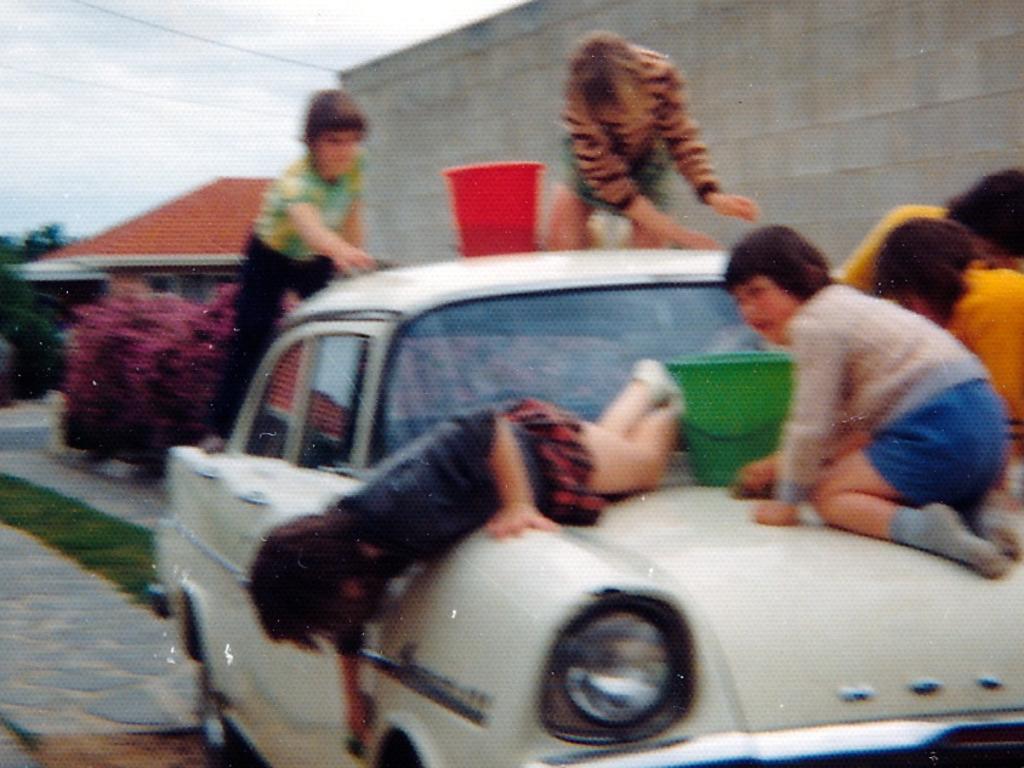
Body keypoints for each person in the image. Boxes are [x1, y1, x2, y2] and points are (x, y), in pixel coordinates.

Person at [247, 362, 681, 748]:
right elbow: (350, 630)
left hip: (539, 453)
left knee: (645, 468)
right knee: (613, 450)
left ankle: (671, 399)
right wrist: (353, 699)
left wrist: (518, 505)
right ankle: (642, 386)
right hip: (530, 469)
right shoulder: (360, 545)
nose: (340, 613)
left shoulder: (396, 505)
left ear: (336, 580)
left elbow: (482, 426)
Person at [725, 226, 1017, 579]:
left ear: (805, 276)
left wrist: (788, 500)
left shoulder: (814, 325)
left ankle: (929, 532)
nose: (749, 311)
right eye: (739, 300)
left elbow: (811, 424)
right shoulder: (853, 306)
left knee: (826, 495)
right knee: (872, 476)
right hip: (985, 426)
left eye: (757, 292)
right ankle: (980, 516)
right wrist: (783, 464)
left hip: (940, 427)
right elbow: (846, 424)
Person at [206, 89, 377, 445]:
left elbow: (352, 213)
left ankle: (342, 427)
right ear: (311, 142)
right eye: (333, 141)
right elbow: (313, 229)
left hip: (314, 258)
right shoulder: (295, 181)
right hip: (272, 255)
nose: (344, 150)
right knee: (252, 332)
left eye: (352, 141)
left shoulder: (356, 165)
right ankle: (221, 431)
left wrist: (355, 258)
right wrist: (340, 250)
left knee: (340, 326)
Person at [545, 31, 759, 251]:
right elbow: (611, 185)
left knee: (650, 250)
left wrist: (712, 195)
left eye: (626, 112)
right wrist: (685, 237)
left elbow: (682, 137)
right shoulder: (578, 104)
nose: (621, 123)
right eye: (610, 120)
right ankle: (593, 238)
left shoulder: (659, 74)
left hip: (648, 155)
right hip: (596, 165)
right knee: (561, 241)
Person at [874, 217, 1024, 458]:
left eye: (908, 301)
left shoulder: (991, 298)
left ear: (928, 279)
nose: (912, 315)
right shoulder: (965, 304)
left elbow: (1007, 406)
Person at [842, 168, 1024, 291]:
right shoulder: (910, 225)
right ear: (965, 226)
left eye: (1012, 257)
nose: (1002, 263)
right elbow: (848, 287)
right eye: (992, 251)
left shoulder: (1006, 271)